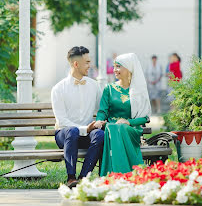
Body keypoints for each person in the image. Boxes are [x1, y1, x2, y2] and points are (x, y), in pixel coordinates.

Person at [51, 46, 104, 188]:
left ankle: (83, 178)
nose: (90, 65)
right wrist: (84, 128)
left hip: (87, 135)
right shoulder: (58, 89)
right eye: (87, 62)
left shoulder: (94, 86)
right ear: (76, 64)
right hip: (65, 135)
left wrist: (99, 120)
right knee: (72, 131)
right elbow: (62, 121)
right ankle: (71, 177)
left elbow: (102, 109)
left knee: (99, 134)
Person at [93, 53, 152, 176]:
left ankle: (119, 174)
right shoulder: (109, 89)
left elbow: (145, 118)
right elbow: (103, 111)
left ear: (129, 68)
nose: (115, 70)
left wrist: (128, 122)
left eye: (118, 66)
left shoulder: (138, 91)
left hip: (131, 130)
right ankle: (123, 175)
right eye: (114, 66)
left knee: (120, 127)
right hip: (112, 128)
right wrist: (99, 120)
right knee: (113, 127)